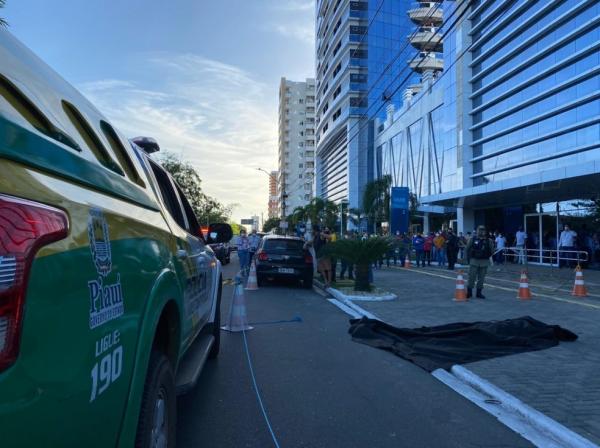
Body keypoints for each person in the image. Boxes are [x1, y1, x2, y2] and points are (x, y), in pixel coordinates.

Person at [465, 225, 494, 299]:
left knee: (481, 279)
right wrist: (467, 259)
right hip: (474, 261)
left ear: (485, 231)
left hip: (484, 262)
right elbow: (467, 249)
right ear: (477, 230)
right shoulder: (472, 239)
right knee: (471, 277)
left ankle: (479, 293)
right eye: (480, 230)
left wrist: (486, 255)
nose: (481, 231)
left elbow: (492, 251)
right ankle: (469, 292)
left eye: (483, 230)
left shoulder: (489, 240)